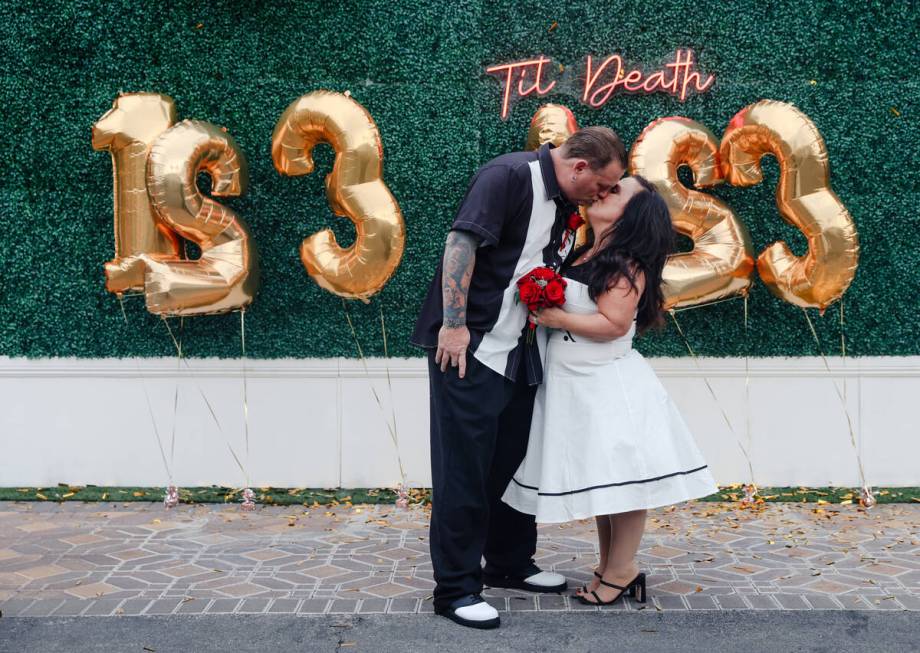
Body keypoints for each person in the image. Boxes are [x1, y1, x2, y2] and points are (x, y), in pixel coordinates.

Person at [411, 128, 627, 629]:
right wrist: (455, 325)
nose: (602, 195)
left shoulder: (561, 202)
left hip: (520, 352)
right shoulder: (508, 175)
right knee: (462, 469)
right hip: (470, 348)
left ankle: (508, 563)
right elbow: (461, 243)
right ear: (578, 168)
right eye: (602, 185)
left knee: (511, 461)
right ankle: (456, 590)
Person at [501, 175, 719, 606]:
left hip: (607, 386)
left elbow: (614, 324)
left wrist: (557, 319)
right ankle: (609, 565)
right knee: (605, 482)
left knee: (624, 482)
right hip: (576, 384)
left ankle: (622, 569)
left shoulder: (626, 262)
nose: (603, 191)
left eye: (616, 191)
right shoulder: (587, 251)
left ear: (632, 214)